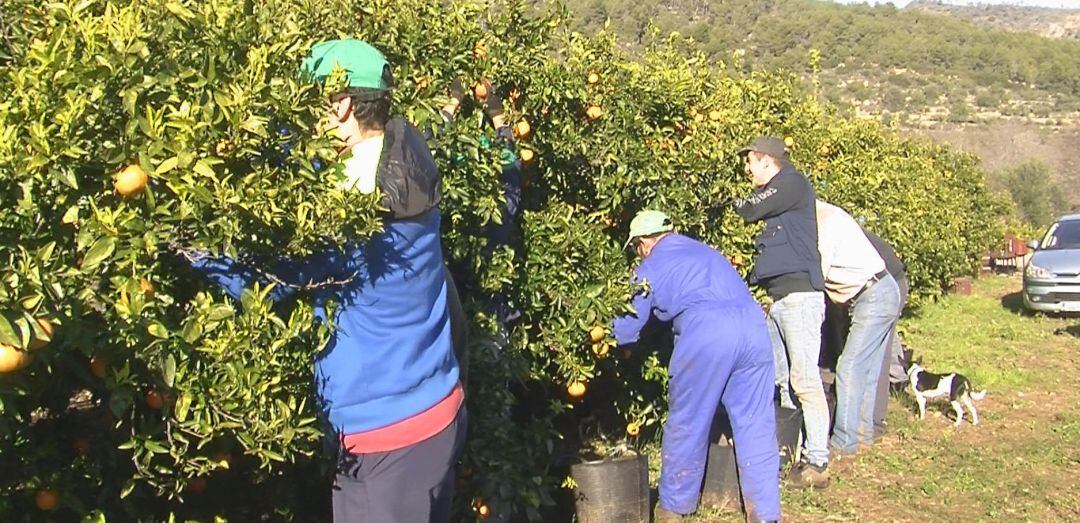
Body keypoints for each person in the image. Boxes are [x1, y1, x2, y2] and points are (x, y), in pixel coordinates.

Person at [189, 39, 465, 522]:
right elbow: (315, 160)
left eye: (305, 105)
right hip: (434, 408)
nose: (298, 122)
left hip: (386, 437)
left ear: (339, 104)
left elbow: (275, 284)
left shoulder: (351, 214)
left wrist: (196, 253)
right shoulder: (403, 158)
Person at [612, 210, 781, 523]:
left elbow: (625, 326)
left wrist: (619, 349)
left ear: (643, 244)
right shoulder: (708, 253)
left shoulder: (650, 266)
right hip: (753, 328)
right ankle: (765, 514)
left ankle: (674, 507)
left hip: (707, 332)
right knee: (756, 422)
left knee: (688, 419)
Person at [733, 136, 830, 488]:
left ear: (765, 160)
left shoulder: (791, 183)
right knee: (784, 381)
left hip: (801, 297)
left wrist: (720, 204)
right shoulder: (781, 192)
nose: (747, 170)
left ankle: (818, 462)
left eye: (749, 162)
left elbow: (748, 208)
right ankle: (794, 455)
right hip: (777, 298)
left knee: (804, 380)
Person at [815, 200, 901, 457]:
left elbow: (819, 273)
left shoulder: (824, 223)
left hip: (872, 296)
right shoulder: (830, 215)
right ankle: (863, 435)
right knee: (867, 369)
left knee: (850, 367)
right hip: (882, 290)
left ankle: (844, 443)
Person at [862, 228, 909, 439]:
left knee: (879, 351)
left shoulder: (822, 228)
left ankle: (874, 423)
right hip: (875, 281)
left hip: (888, 282)